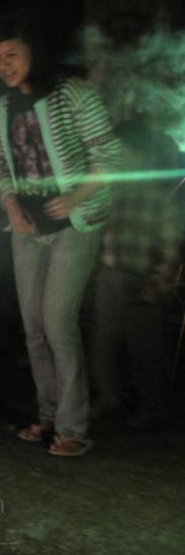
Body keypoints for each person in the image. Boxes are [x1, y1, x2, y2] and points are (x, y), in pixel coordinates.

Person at [0, 15, 121, 457]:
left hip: (75, 225)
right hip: (27, 228)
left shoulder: (73, 94)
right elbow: (3, 167)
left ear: (33, 54)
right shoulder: (3, 108)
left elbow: (110, 156)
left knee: (57, 323)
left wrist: (75, 197)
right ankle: (47, 417)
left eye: (13, 54)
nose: (5, 65)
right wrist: (10, 205)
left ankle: (73, 428)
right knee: (33, 328)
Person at [89, 117, 182, 429]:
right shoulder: (113, 192)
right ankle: (110, 398)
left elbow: (171, 246)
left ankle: (154, 406)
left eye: (123, 151)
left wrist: (159, 280)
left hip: (142, 280)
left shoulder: (159, 199)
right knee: (103, 343)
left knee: (145, 348)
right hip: (111, 274)